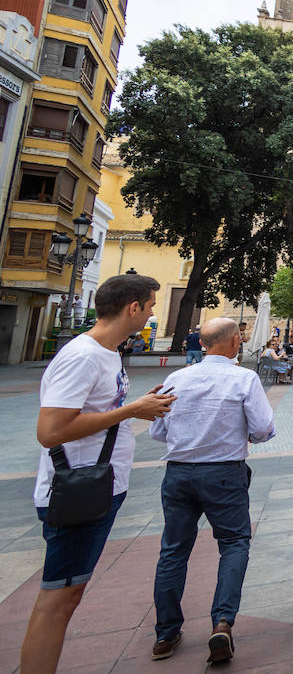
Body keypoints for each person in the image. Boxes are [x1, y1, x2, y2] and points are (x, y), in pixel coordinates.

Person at [24, 276, 175, 674]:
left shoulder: (107, 353)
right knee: (59, 599)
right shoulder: (84, 356)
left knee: (68, 593)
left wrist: (139, 404)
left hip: (98, 486)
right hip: (77, 491)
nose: (153, 313)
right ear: (133, 308)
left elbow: (95, 411)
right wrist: (131, 411)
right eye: (150, 306)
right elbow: (51, 431)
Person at [148, 318, 274, 663]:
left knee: (173, 549)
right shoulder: (244, 378)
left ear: (202, 344)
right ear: (234, 342)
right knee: (234, 543)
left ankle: (166, 632)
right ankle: (222, 622)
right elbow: (263, 429)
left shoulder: (177, 378)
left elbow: (157, 432)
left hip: (178, 473)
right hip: (223, 472)